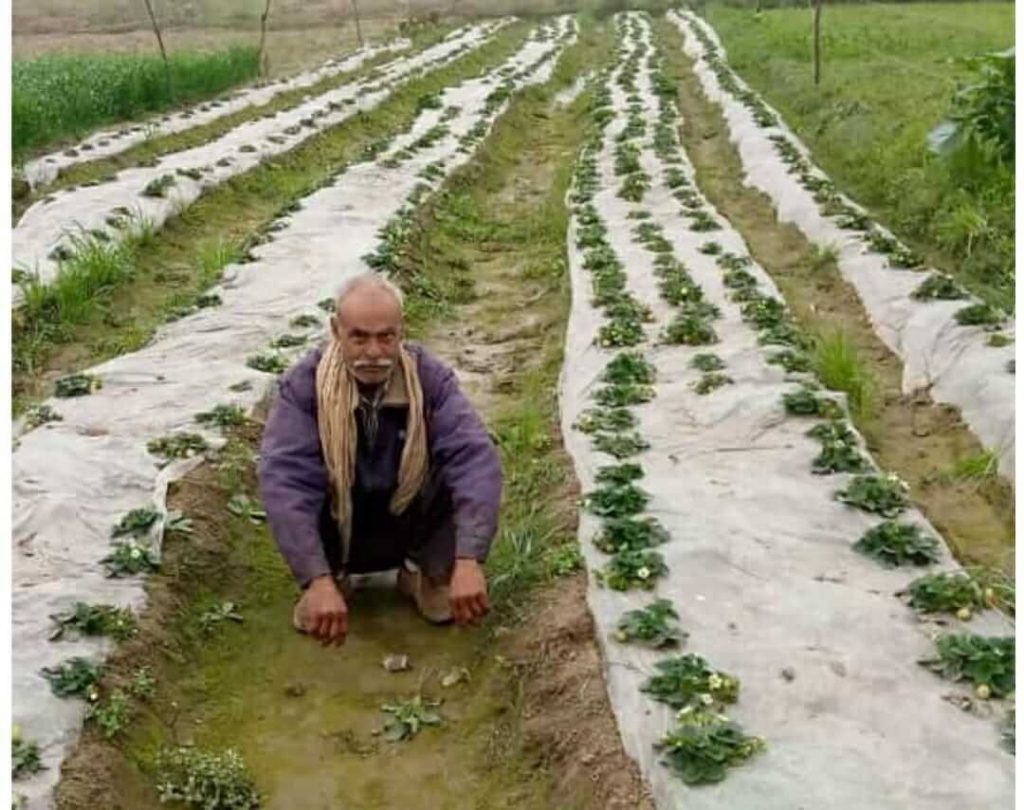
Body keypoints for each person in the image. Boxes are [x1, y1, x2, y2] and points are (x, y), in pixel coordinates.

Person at [258, 272, 502, 646]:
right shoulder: (304, 387)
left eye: (386, 337)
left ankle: (425, 572)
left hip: (408, 522)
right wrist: (316, 578)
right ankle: (331, 579)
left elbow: (473, 459)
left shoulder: (428, 379)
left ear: (401, 332)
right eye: (359, 337)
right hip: (341, 527)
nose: (373, 352)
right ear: (336, 330)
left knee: (462, 466)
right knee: (297, 481)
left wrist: (469, 560)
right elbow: (285, 482)